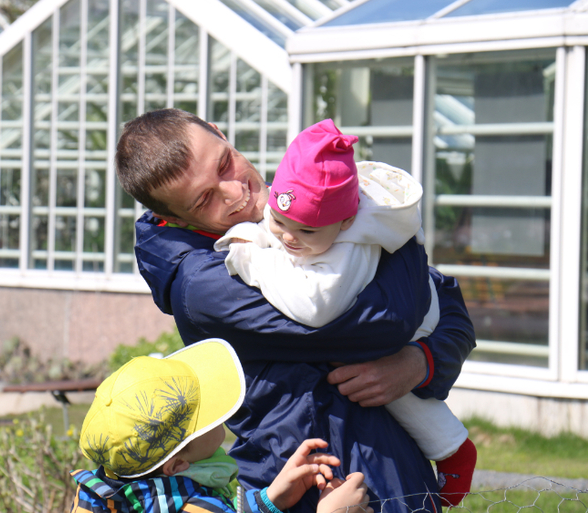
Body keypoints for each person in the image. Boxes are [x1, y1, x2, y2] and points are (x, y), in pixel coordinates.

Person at [116, 108, 476, 513]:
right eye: (204, 199)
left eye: (224, 162)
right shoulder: (205, 283)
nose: (233, 191)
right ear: (172, 218)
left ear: (219, 132)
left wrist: (423, 362)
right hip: (309, 486)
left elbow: (449, 304)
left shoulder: (289, 205)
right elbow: (384, 324)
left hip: (393, 468)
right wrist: (398, 228)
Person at [212, 119, 475, 507]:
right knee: (363, 375)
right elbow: (282, 228)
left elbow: (315, 307)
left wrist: (248, 258)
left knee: (378, 379)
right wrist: (258, 233)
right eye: (279, 221)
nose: (289, 237)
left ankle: (451, 445)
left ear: (347, 222)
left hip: (414, 325)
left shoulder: (352, 245)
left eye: (306, 232)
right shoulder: (310, 219)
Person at [70, 338, 373, 513]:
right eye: (205, 417)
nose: (218, 415)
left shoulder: (102, 494)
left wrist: (269, 500)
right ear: (176, 465)